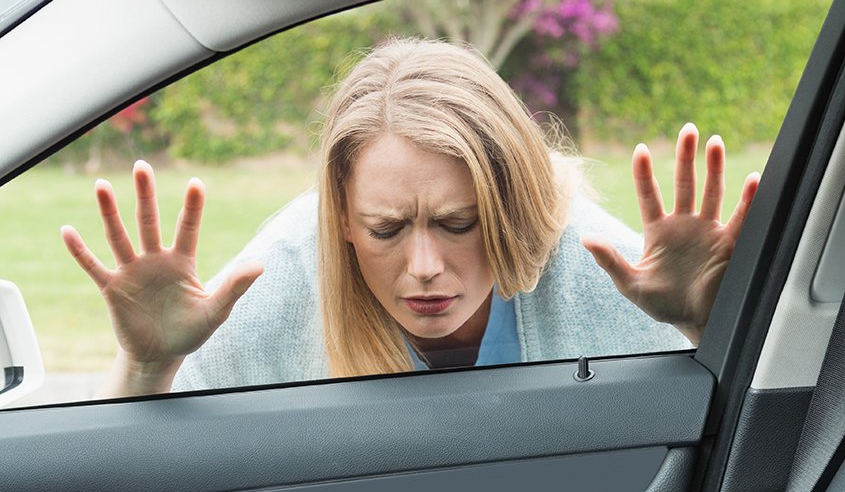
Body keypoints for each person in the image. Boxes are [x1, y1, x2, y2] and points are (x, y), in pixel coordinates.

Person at [60, 38, 759, 399]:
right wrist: (148, 366)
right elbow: (147, 473)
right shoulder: (282, 278)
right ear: (338, 216)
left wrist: (710, 327)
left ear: (513, 205)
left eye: (458, 223)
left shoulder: (606, 269)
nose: (424, 267)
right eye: (386, 230)